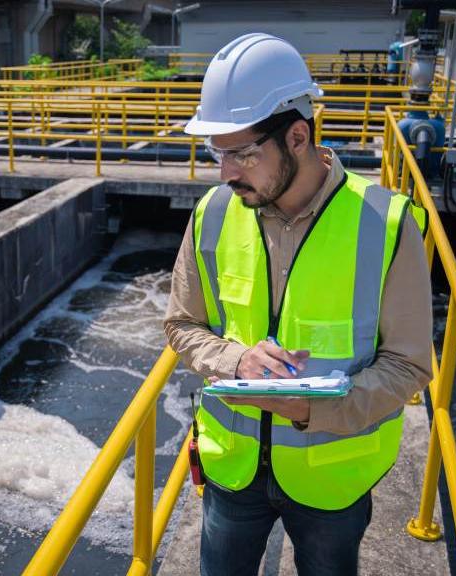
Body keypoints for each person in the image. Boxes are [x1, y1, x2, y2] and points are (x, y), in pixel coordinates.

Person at [164, 33, 433, 576]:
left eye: (242, 154)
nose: (226, 173)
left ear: (297, 136)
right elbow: (182, 324)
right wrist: (235, 361)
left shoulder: (385, 224)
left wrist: (314, 410)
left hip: (332, 477)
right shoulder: (213, 214)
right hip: (232, 473)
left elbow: (409, 365)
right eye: (218, 154)